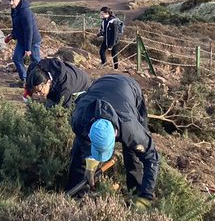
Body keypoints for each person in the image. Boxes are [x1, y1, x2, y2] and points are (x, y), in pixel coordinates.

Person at [66, 73, 160, 205]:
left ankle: (137, 195)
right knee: (78, 154)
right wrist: (90, 163)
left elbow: (152, 158)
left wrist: (147, 196)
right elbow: (83, 141)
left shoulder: (131, 130)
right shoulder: (79, 120)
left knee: (134, 154)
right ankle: (75, 199)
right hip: (100, 83)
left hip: (129, 87)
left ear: (116, 133)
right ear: (90, 132)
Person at [25, 56, 92, 109]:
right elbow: (28, 90)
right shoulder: (34, 71)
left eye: (39, 91)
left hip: (82, 87)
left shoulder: (65, 87)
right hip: (56, 84)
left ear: (48, 82)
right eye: (34, 91)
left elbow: (63, 111)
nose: (37, 94)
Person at [7, 0, 42, 84]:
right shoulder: (14, 10)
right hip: (21, 40)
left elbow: (28, 30)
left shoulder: (25, 12)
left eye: (12, 0)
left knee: (36, 61)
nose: (10, 3)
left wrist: (28, 48)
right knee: (16, 58)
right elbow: (16, 26)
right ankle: (24, 79)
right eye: (9, 1)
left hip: (32, 41)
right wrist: (12, 35)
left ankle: (40, 80)